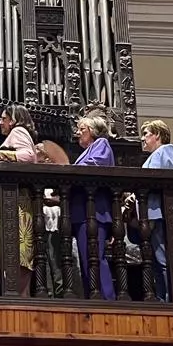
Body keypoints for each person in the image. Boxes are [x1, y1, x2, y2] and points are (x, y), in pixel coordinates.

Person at [0, 104, 38, 294]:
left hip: (16, 205)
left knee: (16, 261)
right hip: (9, 203)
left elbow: (28, 156)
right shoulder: (16, 133)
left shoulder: (18, 131)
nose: (0, 122)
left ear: (13, 120)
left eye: (3, 118)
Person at [67, 113, 116, 300]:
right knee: (87, 260)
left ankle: (106, 301)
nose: (78, 132)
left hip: (94, 211)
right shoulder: (87, 150)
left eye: (82, 129)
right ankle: (94, 299)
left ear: (94, 131)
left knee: (94, 258)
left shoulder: (101, 144)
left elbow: (95, 165)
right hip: (83, 211)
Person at [136, 120, 173, 301]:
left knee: (163, 259)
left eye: (146, 134)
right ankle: (162, 298)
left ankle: (172, 299)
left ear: (157, 134)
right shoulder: (154, 155)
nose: (142, 138)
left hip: (160, 211)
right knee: (155, 261)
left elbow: (160, 177)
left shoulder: (167, 149)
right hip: (151, 212)